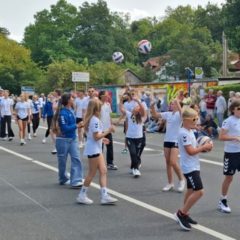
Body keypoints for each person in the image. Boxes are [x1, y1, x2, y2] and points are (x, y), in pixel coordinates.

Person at [174, 107, 213, 231]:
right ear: (185, 120)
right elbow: (190, 151)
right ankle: (181, 213)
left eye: (197, 118)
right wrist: (204, 147)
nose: (197, 121)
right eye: (194, 119)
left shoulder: (189, 129)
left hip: (194, 165)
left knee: (191, 190)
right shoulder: (183, 133)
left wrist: (205, 146)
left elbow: (195, 145)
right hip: (189, 167)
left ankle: (185, 213)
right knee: (199, 191)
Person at [76, 99, 118, 205]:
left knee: (103, 171)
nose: (102, 108)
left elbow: (94, 135)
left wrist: (103, 139)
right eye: (100, 106)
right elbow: (95, 137)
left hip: (96, 148)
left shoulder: (92, 119)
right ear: (97, 108)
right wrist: (108, 131)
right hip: (93, 149)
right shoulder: (94, 119)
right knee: (92, 173)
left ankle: (104, 195)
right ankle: (82, 195)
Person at [150, 99, 185, 192]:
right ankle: (170, 183)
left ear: (177, 105)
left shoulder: (179, 114)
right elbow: (155, 115)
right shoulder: (168, 114)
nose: (171, 105)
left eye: (173, 104)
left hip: (176, 140)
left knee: (173, 162)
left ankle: (182, 180)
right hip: (167, 140)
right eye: (171, 103)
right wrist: (152, 106)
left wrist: (178, 102)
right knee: (168, 163)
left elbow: (183, 115)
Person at [53, 93, 83, 188]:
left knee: (76, 159)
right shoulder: (63, 113)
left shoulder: (72, 110)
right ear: (68, 100)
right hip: (63, 140)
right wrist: (77, 125)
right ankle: (63, 178)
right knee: (62, 161)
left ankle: (76, 180)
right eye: (72, 98)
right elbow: (65, 128)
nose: (73, 99)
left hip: (73, 139)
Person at [218, 100, 240, 213]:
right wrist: (234, 138)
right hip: (231, 153)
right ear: (233, 110)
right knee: (229, 178)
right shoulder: (228, 121)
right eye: (239, 109)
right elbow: (221, 137)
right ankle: (223, 200)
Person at [119, 94, 146, 177]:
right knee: (133, 153)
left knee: (137, 155)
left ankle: (134, 167)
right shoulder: (129, 114)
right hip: (130, 138)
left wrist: (138, 101)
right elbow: (122, 109)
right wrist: (121, 100)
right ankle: (136, 169)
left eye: (137, 107)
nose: (135, 108)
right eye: (135, 107)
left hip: (139, 138)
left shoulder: (142, 118)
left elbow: (143, 110)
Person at [99, 90, 118, 170]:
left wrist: (112, 125)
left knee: (110, 146)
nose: (108, 97)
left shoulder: (108, 104)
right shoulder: (98, 105)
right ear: (101, 96)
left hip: (108, 129)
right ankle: (99, 163)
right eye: (106, 95)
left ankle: (110, 163)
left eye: (108, 95)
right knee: (100, 147)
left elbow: (110, 116)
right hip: (100, 130)